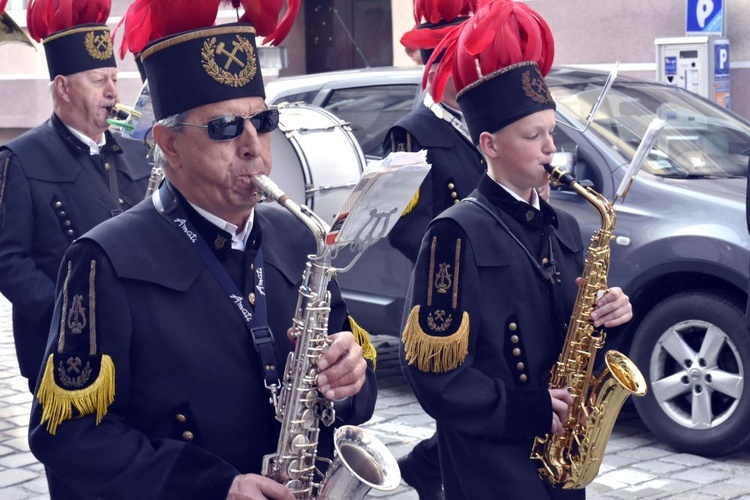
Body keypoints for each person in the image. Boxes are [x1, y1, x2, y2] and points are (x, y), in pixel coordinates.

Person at [27, 4, 377, 499]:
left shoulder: (301, 237)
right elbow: (67, 433)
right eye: (225, 128)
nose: (255, 146)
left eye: (264, 121)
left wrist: (351, 376)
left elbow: (353, 384)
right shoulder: (102, 260)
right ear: (169, 144)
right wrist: (213, 488)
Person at [399, 1, 633, 499]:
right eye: (533, 136)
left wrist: (608, 319)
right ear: (489, 144)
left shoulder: (567, 227)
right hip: (491, 465)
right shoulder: (454, 235)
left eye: (551, 132)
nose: (550, 148)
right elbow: (434, 377)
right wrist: (530, 409)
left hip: (561, 458)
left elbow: (579, 344)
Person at [0, 0, 150, 393]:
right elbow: (7, 260)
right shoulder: (20, 158)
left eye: (114, 79)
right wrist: (70, 315)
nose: (112, 92)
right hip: (63, 355)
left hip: (139, 347)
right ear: (63, 88)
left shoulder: (136, 154)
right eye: (99, 80)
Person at [383, 4, 480, 499]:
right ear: (440, 66)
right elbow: (405, 225)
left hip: (496, 285)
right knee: (465, 401)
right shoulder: (411, 132)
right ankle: (430, 468)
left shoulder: (486, 122)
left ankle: (428, 467)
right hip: (448, 289)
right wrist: (461, 254)